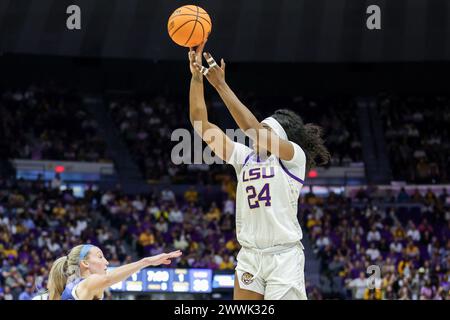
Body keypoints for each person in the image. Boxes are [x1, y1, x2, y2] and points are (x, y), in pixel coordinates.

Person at [188, 41, 330, 300]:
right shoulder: (244, 157)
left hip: (284, 256)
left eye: (266, 130)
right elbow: (200, 124)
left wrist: (220, 84)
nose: (257, 135)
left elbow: (250, 128)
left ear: (279, 138)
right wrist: (197, 78)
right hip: (250, 255)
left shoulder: (292, 159)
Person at [45, 244, 181, 300]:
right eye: (100, 256)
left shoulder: (83, 288)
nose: (106, 262)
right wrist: (146, 262)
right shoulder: (86, 284)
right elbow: (109, 279)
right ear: (85, 263)